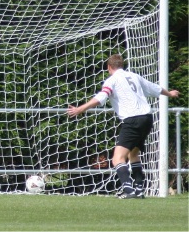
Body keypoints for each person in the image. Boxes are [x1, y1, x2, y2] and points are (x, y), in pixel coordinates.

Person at [67, 54, 179, 199]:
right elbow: (155, 88)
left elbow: (101, 97)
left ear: (109, 67)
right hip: (147, 118)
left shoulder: (112, 80)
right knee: (133, 154)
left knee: (117, 159)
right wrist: (169, 93)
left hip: (132, 120)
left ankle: (128, 190)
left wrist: (80, 109)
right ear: (122, 65)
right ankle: (139, 189)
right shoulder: (134, 76)